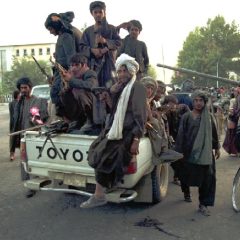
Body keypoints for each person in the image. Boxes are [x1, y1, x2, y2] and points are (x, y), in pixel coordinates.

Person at [80, 53, 147, 208]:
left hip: (128, 132)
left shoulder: (138, 87)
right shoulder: (120, 88)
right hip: (115, 129)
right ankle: (102, 191)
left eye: (125, 71)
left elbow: (140, 115)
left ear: (131, 72)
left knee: (106, 155)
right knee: (97, 150)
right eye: (119, 71)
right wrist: (111, 94)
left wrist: (136, 139)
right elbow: (115, 110)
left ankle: (99, 195)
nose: (121, 74)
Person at [174, 91, 220, 216]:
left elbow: (214, 133)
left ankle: (203, 204)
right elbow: (181, 135)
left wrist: (217, 148)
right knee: (185, 175)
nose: (198, 103)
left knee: (208, 178)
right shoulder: (186, 117)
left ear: (205, 102)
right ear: (192, 101)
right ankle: (186, 192)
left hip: (205, 152)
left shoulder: (209, 117)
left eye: (201, 101)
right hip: (188, 152)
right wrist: (179, 152)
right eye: (196, 100)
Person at [12, 77, 49, 198]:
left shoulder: (38, 101)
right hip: (23, 136)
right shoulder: (19, 103)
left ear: (30, 88)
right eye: (21, 88)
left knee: (35, 159)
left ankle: (38, 180)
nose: (23, 90)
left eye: (25, 88)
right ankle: (29, 185)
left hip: (34, 136)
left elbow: (41, 120)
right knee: (24, 160)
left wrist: (35, 118)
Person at [79, 1, 121, 88]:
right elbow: (81, 47)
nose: (98, 14)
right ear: (92, 14)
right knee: (95, 90)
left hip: (109, 65)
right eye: (95, 12)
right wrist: (92, 50)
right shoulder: (88, 31)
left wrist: (106, 41)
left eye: (100, 12)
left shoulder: (112, 29)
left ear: (104, 13)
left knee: (111, 88)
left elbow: (119, 43)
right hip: (93, 66)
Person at [60, 53, 102, 134]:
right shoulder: (73, 75)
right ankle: (76, 120)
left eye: (76, 65)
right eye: (71, 65)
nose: (73, 68)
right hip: (79, 111)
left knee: (79, 91)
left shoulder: (90, 73)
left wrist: (71, 80)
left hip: (95, 107)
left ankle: (90, 121)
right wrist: (66, 86)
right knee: (64, 94)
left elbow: (90, 85)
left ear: (84, 65)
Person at [45, 13, 76, 117]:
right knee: (54, 93)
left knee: (58, 93)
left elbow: (71, 57)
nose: (50, 32)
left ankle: (68, 118)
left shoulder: (66, 36)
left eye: (50, 29)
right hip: (59, 71)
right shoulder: (61, 37)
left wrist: (70, 73)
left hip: (65, 71)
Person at [9, 89, 20, 161]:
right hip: (16, 123)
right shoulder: (17, 102)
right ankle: (12, 154)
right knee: (15, 138)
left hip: (13, 123)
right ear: (18, 95)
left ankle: (12, 154)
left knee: (13, 139)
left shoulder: (11, 103)